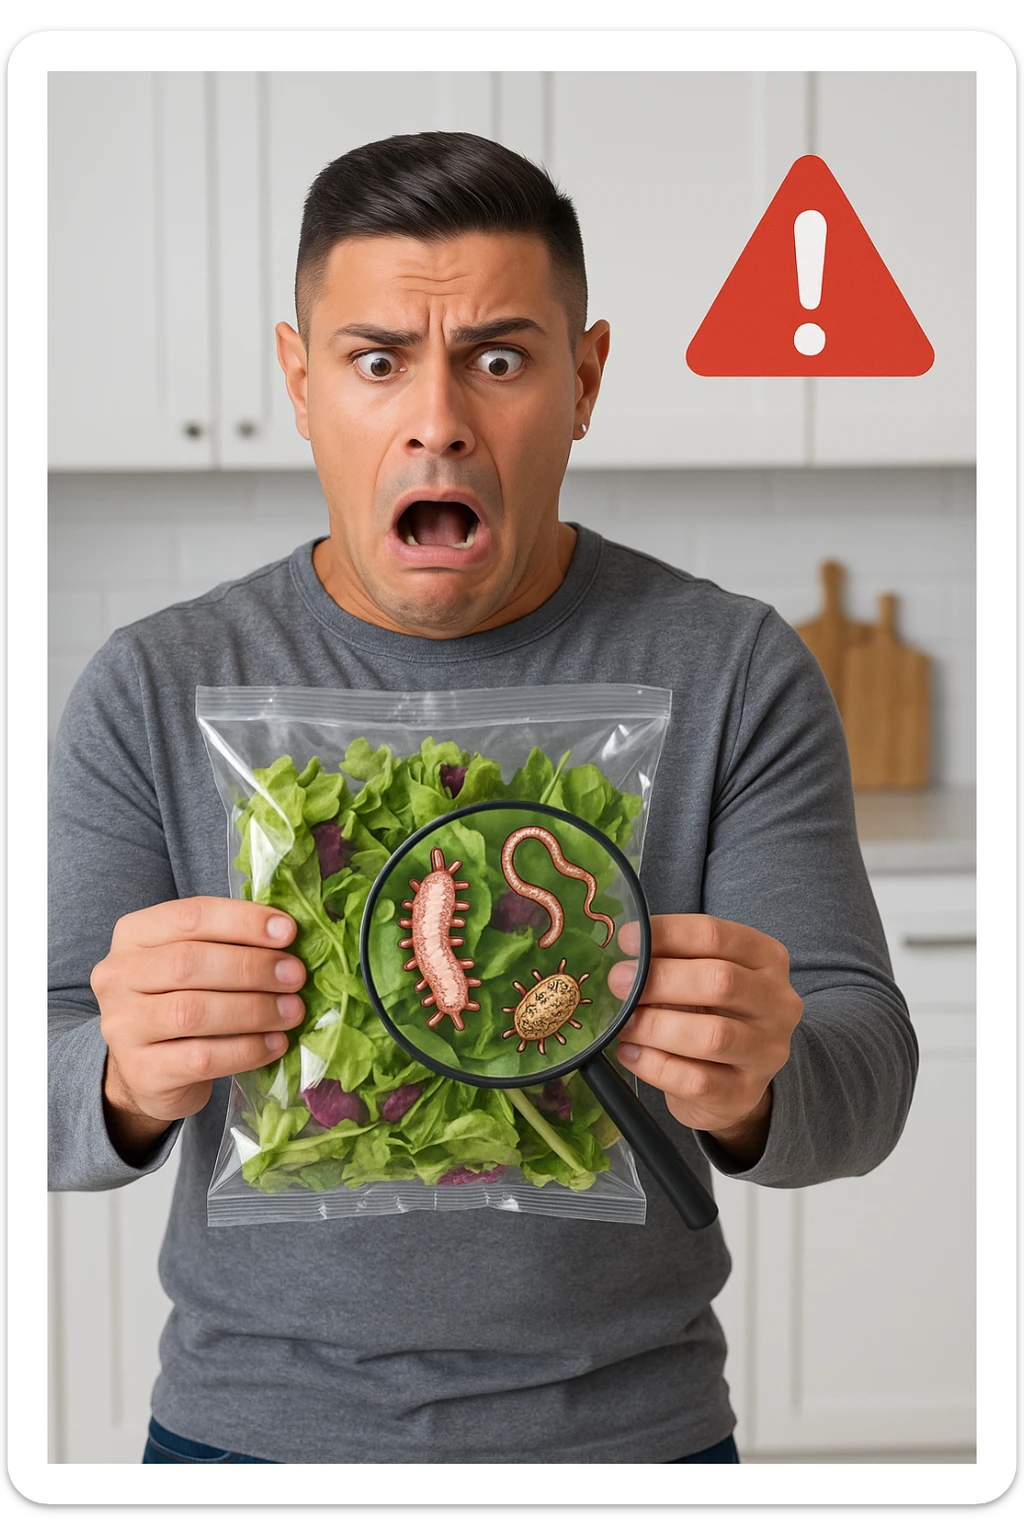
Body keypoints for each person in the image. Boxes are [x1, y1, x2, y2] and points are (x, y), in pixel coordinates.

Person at [48, 131, 917, 1467]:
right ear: (299, 381)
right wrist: (118, 1075)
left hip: (636, 1438)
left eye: (500, 360)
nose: (439, 417)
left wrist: (756, 1080)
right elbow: (38, 1089)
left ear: (586, 379)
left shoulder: (732, 669)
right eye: (377, 359)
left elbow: (865, 1076)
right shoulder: (160, 684)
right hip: (244, 1439)